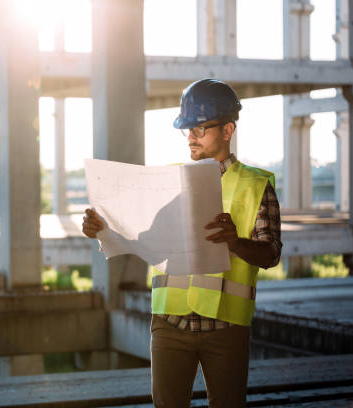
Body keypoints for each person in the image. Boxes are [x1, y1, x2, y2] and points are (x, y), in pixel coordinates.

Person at [82, 78, 282, 408]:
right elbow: (140, 235)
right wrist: (101, 228)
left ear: (228, 130)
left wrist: (234, 241)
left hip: (226, 327)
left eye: (200, 128)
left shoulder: (255, 185)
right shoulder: (167, 181)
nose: (190, 137)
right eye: (187, 129)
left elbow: (271, 253)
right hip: (169, 323)